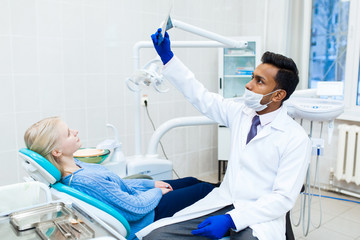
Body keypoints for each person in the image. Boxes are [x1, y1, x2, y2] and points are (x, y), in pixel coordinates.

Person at [135, 29, 311, 240]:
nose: (249, 85)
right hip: (223, 201)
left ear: (279, 95)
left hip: (259, 215)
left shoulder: (295, 138)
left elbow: (282, 198)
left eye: (260, 81)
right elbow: (200, 96)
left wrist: (232, 220)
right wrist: (168, 58)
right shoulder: (241, 113)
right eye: (252, 77)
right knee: (156, 236)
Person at [24, 117, 215, 240]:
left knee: (191, 180)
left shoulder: (77, 166)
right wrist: (157, 191)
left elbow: (117, 184)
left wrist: (149, 183)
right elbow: (135, 208)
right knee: (203, 190)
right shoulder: (86, 181)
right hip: (145, 215)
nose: (75, 132)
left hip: (140, 198)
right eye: (68, 133)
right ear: (56, 151)